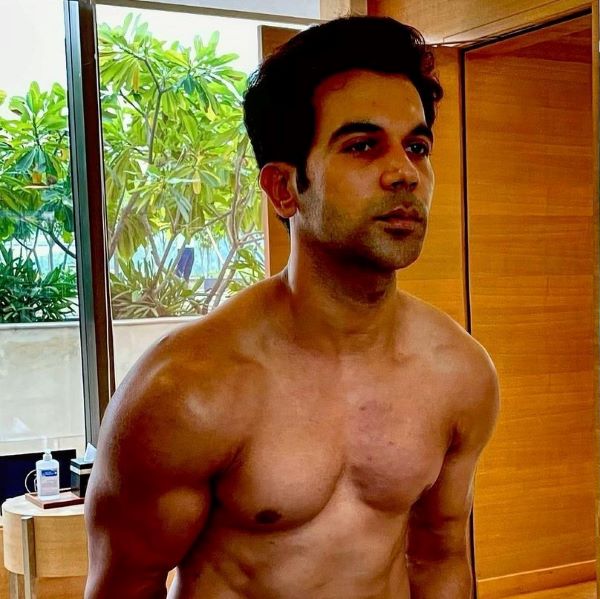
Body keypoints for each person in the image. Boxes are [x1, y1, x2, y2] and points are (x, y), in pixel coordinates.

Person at [85, 15, 498, 599]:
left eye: (417, 146)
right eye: (362, 146)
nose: (405, 173)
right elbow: (124, 587)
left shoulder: (459, 373)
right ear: (283, 188)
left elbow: (440, 558)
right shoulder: (187, 391)